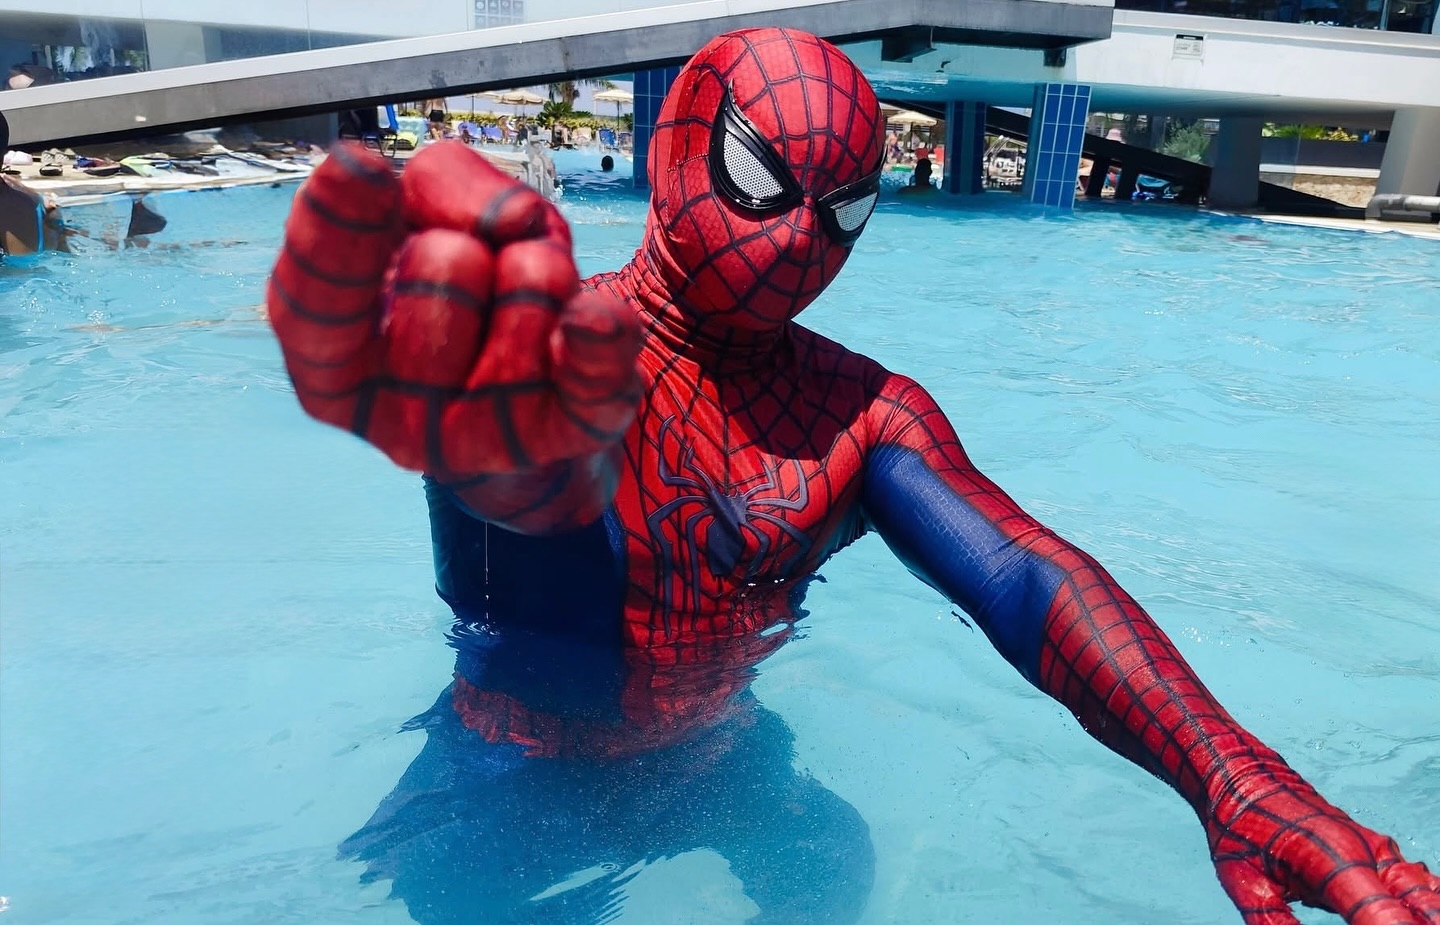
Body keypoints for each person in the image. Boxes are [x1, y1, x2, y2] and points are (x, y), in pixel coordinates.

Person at [266, 28, 1439, 923]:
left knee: (833, 866)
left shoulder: (861, 416)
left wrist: (1233, 777)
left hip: (712, 749)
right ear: (685, 139)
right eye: (759, 180)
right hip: (509, 774)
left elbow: (1026, 577)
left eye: (846, 208)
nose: (797, 239)